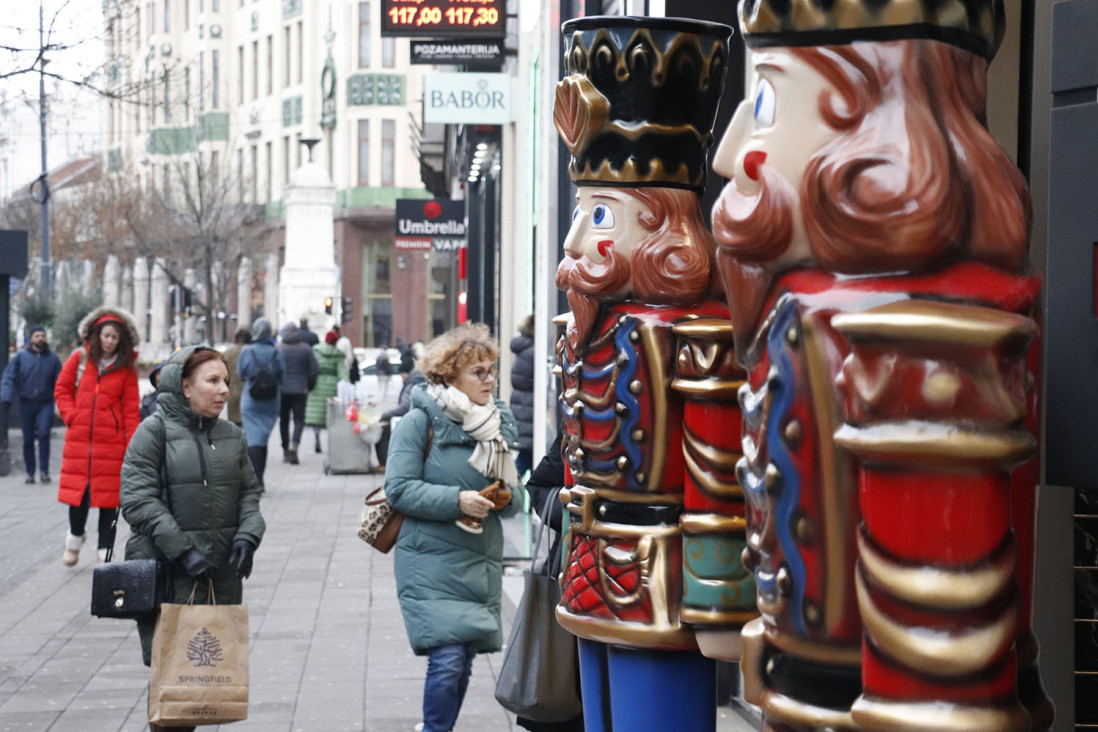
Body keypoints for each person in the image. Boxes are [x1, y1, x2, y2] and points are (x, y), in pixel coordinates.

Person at [119, 345, 265, 732]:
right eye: (212, 381)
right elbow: (137, 499)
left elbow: (250, 492)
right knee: (172, 679)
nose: (223, 390)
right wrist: (182, 551)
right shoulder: (154, 431)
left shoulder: (231, 434)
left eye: (226, 382)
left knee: (204, 681)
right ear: (185, 386)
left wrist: (248, 537)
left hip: (220, 572)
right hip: (171, 572)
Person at [385, 323, 521, 732]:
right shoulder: (418, 422)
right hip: (429, 560)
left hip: (477, 560)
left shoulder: (497, 426)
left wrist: (505, 498)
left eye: (491, 369)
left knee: (460, 661)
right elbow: (399, 489)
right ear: (450, 376)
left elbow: (516, 499)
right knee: (447, 660)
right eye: (478, 371)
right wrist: (456, 500)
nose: (489, 378)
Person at [54, 306, 141, 566]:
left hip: (111, 444)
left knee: (109, 500)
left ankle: (106, 549)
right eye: (106, 336)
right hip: (79, 441)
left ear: (121, 340)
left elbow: (130, 410)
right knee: (77, 496)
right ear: (96, 335)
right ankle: (75, 537)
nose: (110, 341)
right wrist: (72, 415)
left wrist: (132, 444)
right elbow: (62, 389)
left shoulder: (126, 369)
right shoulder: (80, 359)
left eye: (114, 337)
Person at [1, 325, 62, 484]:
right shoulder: (21, 357)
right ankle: (30, 472)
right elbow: (9, 377)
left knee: (44, 434)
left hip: (45, 403)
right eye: (37, 336)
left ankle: (44, 471)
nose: (40, 338)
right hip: (26, 402)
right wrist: (6, 397)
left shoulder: (53, 359)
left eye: (42, 335)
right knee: (28, 439)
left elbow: (62, 382)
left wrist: (61, 403)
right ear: (31, 338)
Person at [237, 318, 285, 490]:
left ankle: (256, 479)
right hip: (271, 401)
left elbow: (241, 373)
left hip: (251, 399)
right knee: (262, 439)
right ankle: (259, 478)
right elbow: (282, 378)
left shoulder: (247, 350)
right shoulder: (277, 352)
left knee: (253, 438)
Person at [277, 321, 318, 464]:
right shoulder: (306, 349)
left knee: (283, 420)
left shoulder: (279, 348)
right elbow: (314, 369)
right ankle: (295, 444)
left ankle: (285, 450)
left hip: (282, 391)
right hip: (301, 389)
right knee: (299, 419)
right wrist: (309, 385)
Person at [377, 352, 426, 468]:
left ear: (405, 373)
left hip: (414, 421)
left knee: (383, 429)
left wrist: (382, 415)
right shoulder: (419, 379)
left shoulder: (412, 383)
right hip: (418, 419)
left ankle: (385, 464)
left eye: (401, 375)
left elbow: (404, 407)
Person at [304, 329, 349, 453]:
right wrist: (348, 386)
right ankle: (330, 441)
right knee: (330, 415)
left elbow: (311, 368)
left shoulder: (316, 351)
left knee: (316, 414)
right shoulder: (338, 354)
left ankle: (317, 437)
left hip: (317, 385)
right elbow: (343, 374)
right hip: (332, 387)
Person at [508, 315, 535, 479]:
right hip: (530, 413)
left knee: (525, 461)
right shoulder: (534, 352)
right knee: (527, 463)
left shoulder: (524, 350)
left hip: (523, 412)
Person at [223, 328, 252, 427]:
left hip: (232, 391)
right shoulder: (252, 352)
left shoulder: (228, 352)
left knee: (234, 423)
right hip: (249, 391)